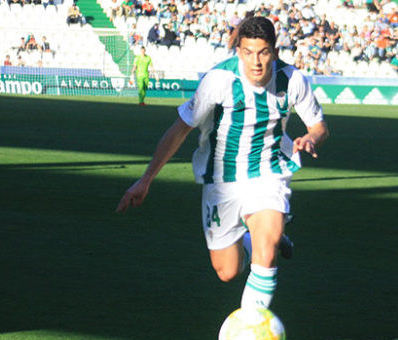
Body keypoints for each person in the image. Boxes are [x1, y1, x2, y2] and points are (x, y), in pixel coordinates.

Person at [116, 17, 329, 312]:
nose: (256, 61)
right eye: (248, 52)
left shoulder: (292, 80)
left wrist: (311, 139)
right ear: (238, 50)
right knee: (227, 271)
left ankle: (249, 339)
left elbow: (319, 126)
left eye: (263, 52)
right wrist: (146, 178)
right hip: (221, 180)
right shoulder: (219, 80)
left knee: (267, 255)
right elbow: (180, 129)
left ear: (274, 51)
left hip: (268, 173)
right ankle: (253, 242)